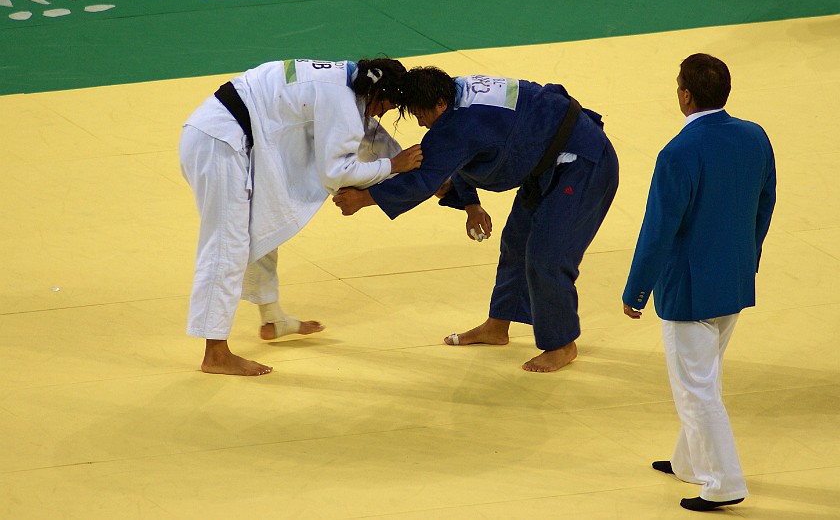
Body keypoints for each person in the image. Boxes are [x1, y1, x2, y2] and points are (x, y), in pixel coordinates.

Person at [333, 66, 619, 372]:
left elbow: (426, 178)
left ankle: (563, 344)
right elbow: (466, 152)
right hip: (546, 161)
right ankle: (498, 326)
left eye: (421, 115)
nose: (421, 123)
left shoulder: (457, 125)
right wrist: (470, 204)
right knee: (516, 243)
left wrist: (364, 199)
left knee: (546, 255)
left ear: (440, 104)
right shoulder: (455, 93)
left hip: (583, 163)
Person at [179, 58, 422, 376]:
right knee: (228, 244)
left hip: (224, 133)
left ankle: (272, 318)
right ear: (377, 93)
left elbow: (369, 135)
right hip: (220, 144)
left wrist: (426, 176)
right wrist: (395, 166)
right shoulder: (344, 102)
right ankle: (215, 354)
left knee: (259, 223)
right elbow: (336, 173)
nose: (381, 114)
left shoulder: (347, 77)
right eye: (385, 107)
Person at [622, 53, 776, 511]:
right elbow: (764, 206)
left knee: (695, 389)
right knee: (704, 375)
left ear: (684, 94)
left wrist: (637, 290)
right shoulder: (755, 137)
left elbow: (659, 228)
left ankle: (724, 482)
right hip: (734, 278)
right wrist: (747, 260)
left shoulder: (678, 152)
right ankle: (687, 460)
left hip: (690, 289)